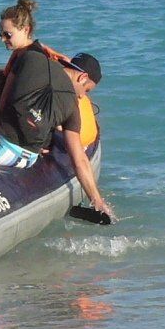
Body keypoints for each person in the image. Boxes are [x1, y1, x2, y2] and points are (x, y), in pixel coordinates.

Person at [0, 0, 76, 167]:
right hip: (31, 154)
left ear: (26, 30)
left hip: (8, 148)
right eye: (1, 34)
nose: (3, 39)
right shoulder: (40, 55)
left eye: (7, 34)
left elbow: (4, 103)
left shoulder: (24, 59)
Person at [57, 51, 114, 220]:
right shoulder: (69, 105)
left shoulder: (46, 71)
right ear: (82, 77)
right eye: (86, 89)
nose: (82, 95)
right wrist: (97, 200)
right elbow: (78, 158)